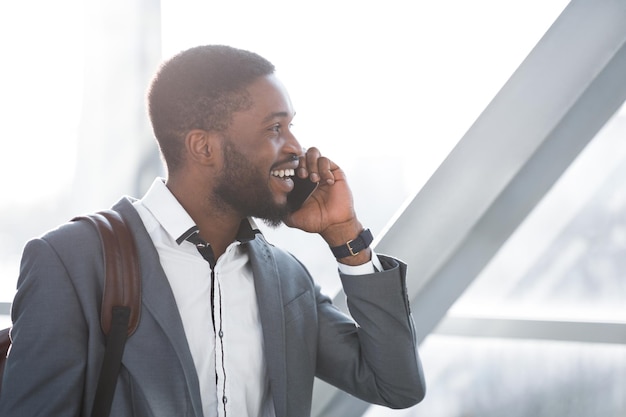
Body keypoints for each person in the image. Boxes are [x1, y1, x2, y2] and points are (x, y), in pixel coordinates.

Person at [0, 45, 426, 417]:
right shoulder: (71, 262)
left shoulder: (285, 278)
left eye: (291, 126)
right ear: (203, 147)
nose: (296, 146)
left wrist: (345, 236)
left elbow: (396, 385)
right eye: (275, 128)